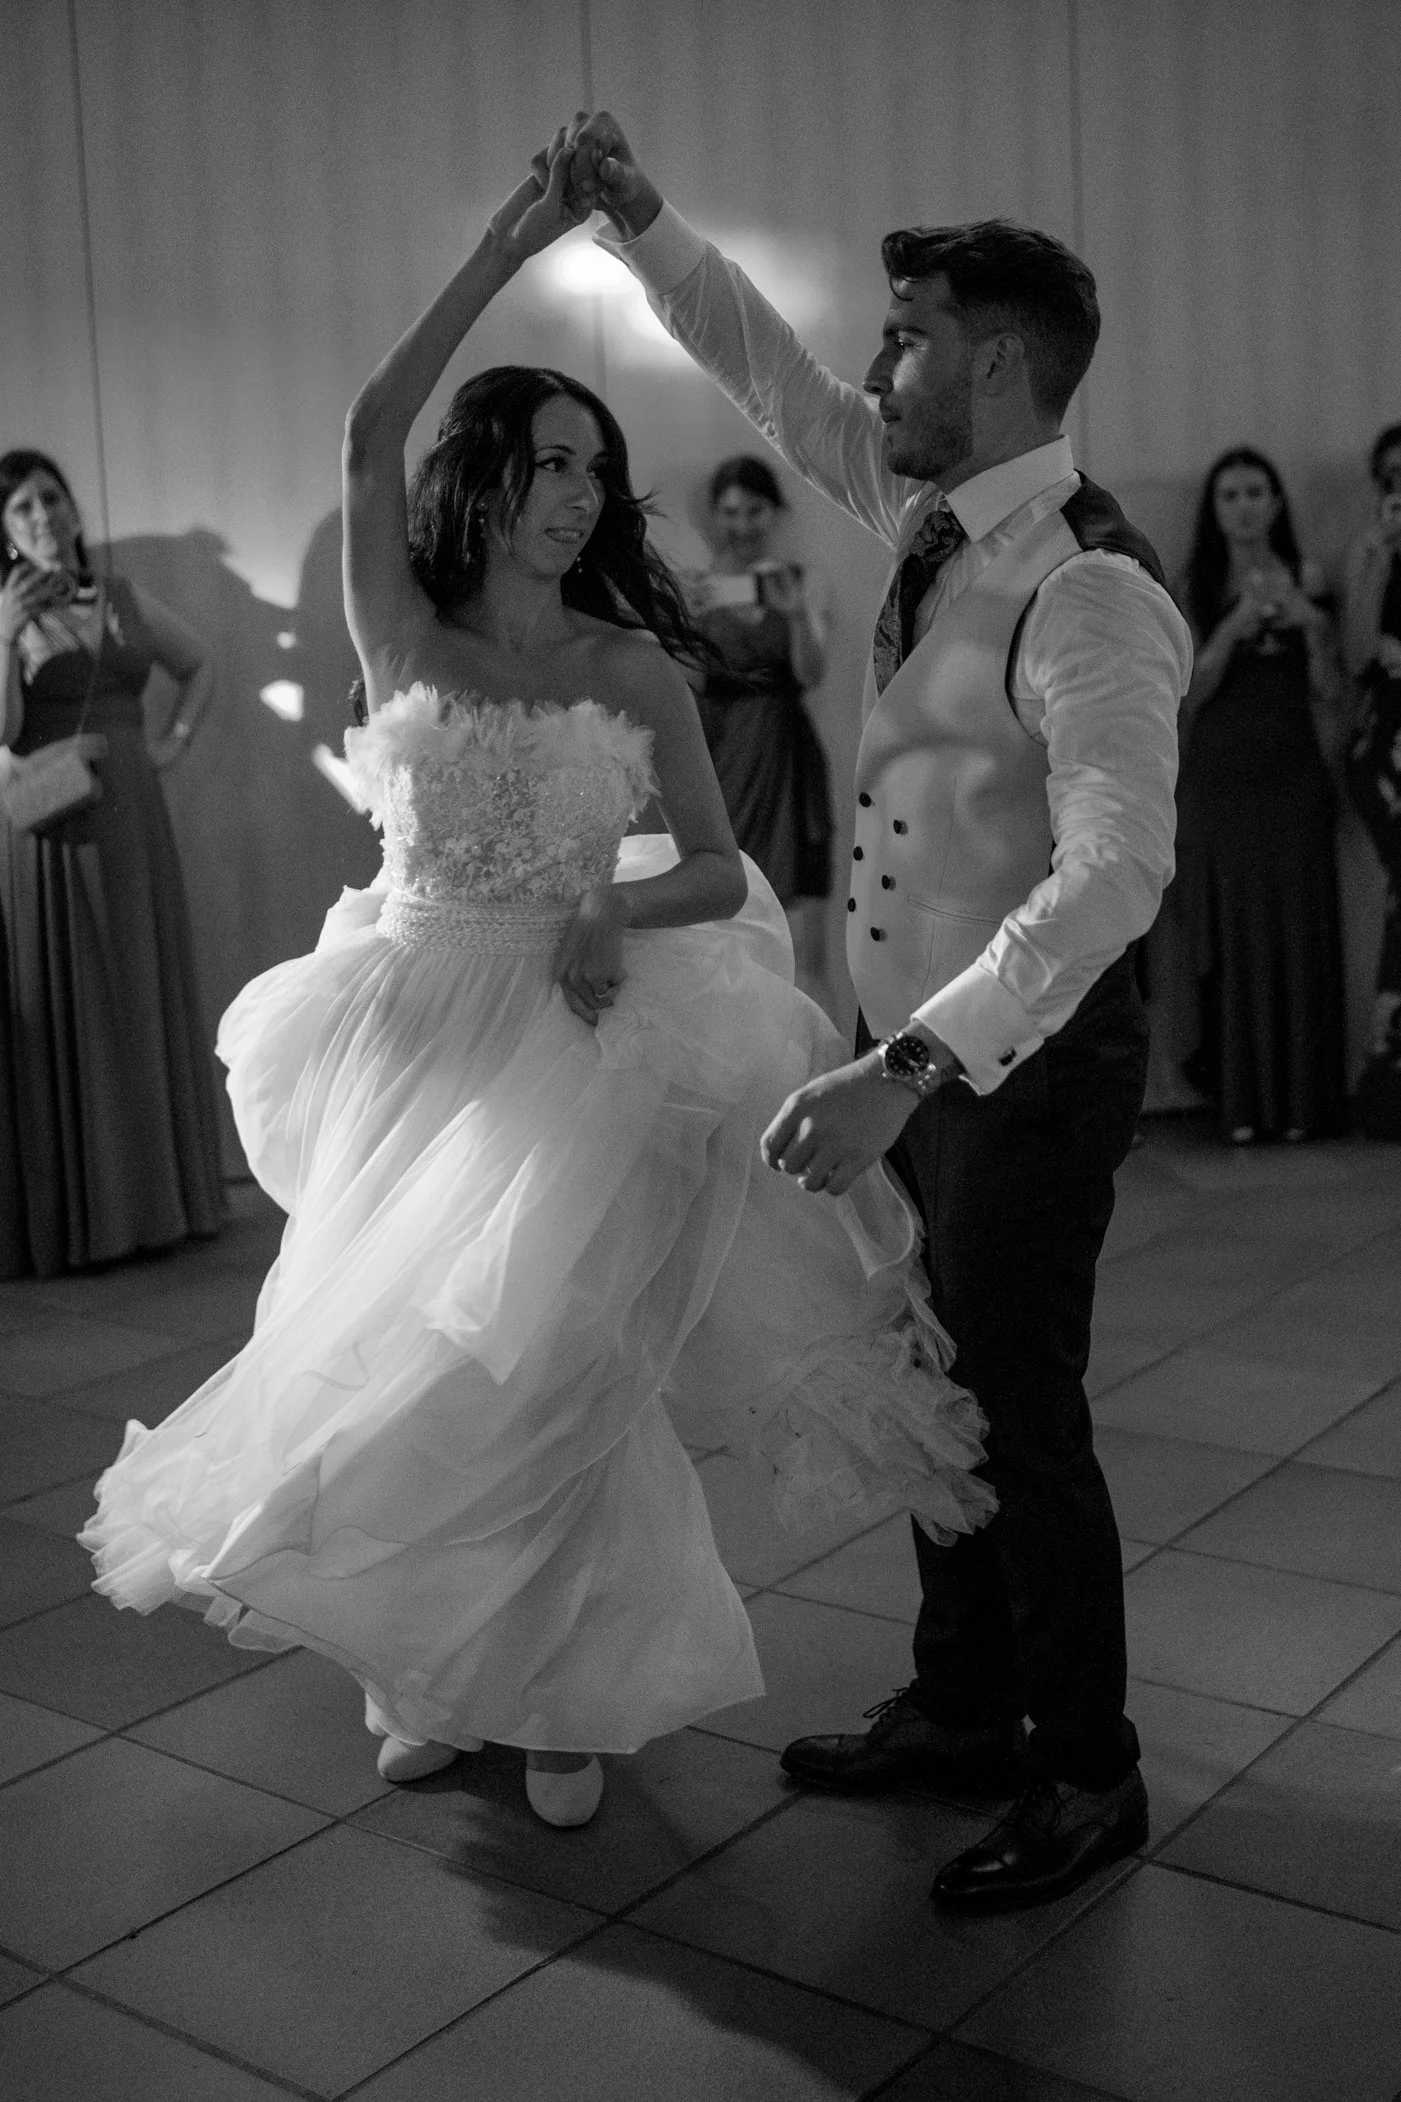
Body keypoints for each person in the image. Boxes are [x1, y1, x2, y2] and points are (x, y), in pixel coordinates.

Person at [81, 148, 993, 1832]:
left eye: (598, 466)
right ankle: (429, 1668)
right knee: (397, 1368)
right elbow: (369, 427)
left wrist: (603, 898)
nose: (581, 492)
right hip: (413, 1025)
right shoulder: (402, 626)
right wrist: (511, 237)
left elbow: (715, 870)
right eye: (553, 460)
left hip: (581, 1038)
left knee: (566, 1366)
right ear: (487, 473)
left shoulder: (631, 660)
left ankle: (567, 1684)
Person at [562, 109, 1192, 1911]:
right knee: (936, 1381)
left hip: (1021, 1076)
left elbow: (1116, 872)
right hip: (918, 1066)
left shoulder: (1087, 586)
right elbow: (772, 371)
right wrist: (644, 226)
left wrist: (904, 1068)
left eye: (908, 338)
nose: (875, 366)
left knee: (1020, 1404)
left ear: (995, 366)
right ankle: (961, 1701)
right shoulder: (926, 514)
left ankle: (1085, 1769)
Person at [0, 450, 223, 1275]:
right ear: (4, 532)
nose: (44, 518)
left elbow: (198, 662)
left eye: (51, 500)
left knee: (137, 990)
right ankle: (83, 1221)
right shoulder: (5, 614)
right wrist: (4, 628)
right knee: (68, 1004)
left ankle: (163, 1206)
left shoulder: (123, 599)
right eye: (21, 509)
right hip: (46, 822)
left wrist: (174, 741)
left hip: (131, 809)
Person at [1172, 448, 1346, 1144]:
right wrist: (1236, 625)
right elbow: (1189, 695)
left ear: (1276, 502)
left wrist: (1312, 626)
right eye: (1229, 495)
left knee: (1299, 933)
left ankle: (1304, 1106)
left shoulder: (1308, 577)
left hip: (1294, 772)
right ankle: (1240, 1104)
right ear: (1213, 511)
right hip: (1220, 780)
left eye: (1255, 492)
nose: (1243, 506)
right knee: (1235, 935)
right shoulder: (1195, 583)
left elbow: (1332, 690)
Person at [690, 454, 835, 998]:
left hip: (786, 758)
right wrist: (680, 620)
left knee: (803, 946)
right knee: (721, 940)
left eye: (755, 511)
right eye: (730, 513)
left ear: (774, 514)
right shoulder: (697, 589)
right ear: (714, 517)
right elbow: (689, 686)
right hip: (721, 759)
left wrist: (794, 612)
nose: (742, 526)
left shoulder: (798, 581)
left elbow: (811, 675)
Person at [1343, 421, 1401, 1140]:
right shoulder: (1367, 553)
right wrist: (1381, 559)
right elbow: (1356, 653)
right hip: (1386, 746)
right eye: (1391, 477)